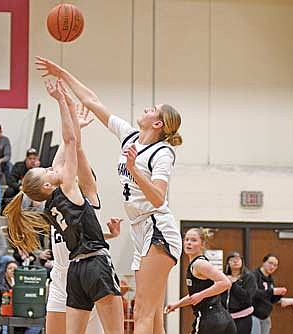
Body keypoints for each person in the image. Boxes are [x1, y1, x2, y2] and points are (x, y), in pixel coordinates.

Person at [35, 56, 183, 334]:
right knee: (153, 320)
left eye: (152, 110)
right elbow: (92, 101)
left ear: (158, 124)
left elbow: (159, 199)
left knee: (142, 314)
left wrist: (134, 170)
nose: (146, 109)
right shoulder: (129, 137)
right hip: (141, 229)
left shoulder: (163, 153)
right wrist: (62, 73)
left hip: (158, 227)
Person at [4, 79, 123, 334]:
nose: (51, 168)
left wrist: (75, 125)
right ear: (46, 185)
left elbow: (67, 150)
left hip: (76, 271)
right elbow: (70, 144)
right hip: (89, 267)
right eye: (46, 170)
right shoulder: (69, 188)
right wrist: (64, 103)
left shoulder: (50, 205)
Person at [165, 228, 236, 334]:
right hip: (223, 319)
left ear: (202, 244)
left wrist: (200, 295)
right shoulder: (195, 264)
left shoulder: (200, 264)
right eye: (186, 239)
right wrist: (177, 304)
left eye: (193, 240)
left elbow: (225, 283)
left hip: (210, 319)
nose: (189, 243)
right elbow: (195, 296)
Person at [0, 261, 41, 334]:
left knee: (36, 326)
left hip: (21, 316)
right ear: (5, 272)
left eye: (15, 268)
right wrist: (3, 311)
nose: (13, 270)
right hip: (3, 316)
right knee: (6, 325)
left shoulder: (24, 286)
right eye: (10, 268)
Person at [220, 252, 256, 334]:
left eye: (238, 259)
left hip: (243, 316)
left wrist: (233, 284)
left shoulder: (249, 277)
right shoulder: (223, 277)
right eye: (232, 260)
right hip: (225, 317)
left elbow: (247, 297)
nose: (235, 262)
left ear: (242, 262)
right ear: (228, 263)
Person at [251, 253, 287, 334]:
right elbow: (254, 293)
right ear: (264, 262)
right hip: (254, 315)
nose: (272, 267)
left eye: (275, 265)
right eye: (270, 263)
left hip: (265, 316)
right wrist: (272, 291)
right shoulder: (253, 275)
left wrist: (278, 295)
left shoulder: (270, 279)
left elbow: (269, 299)